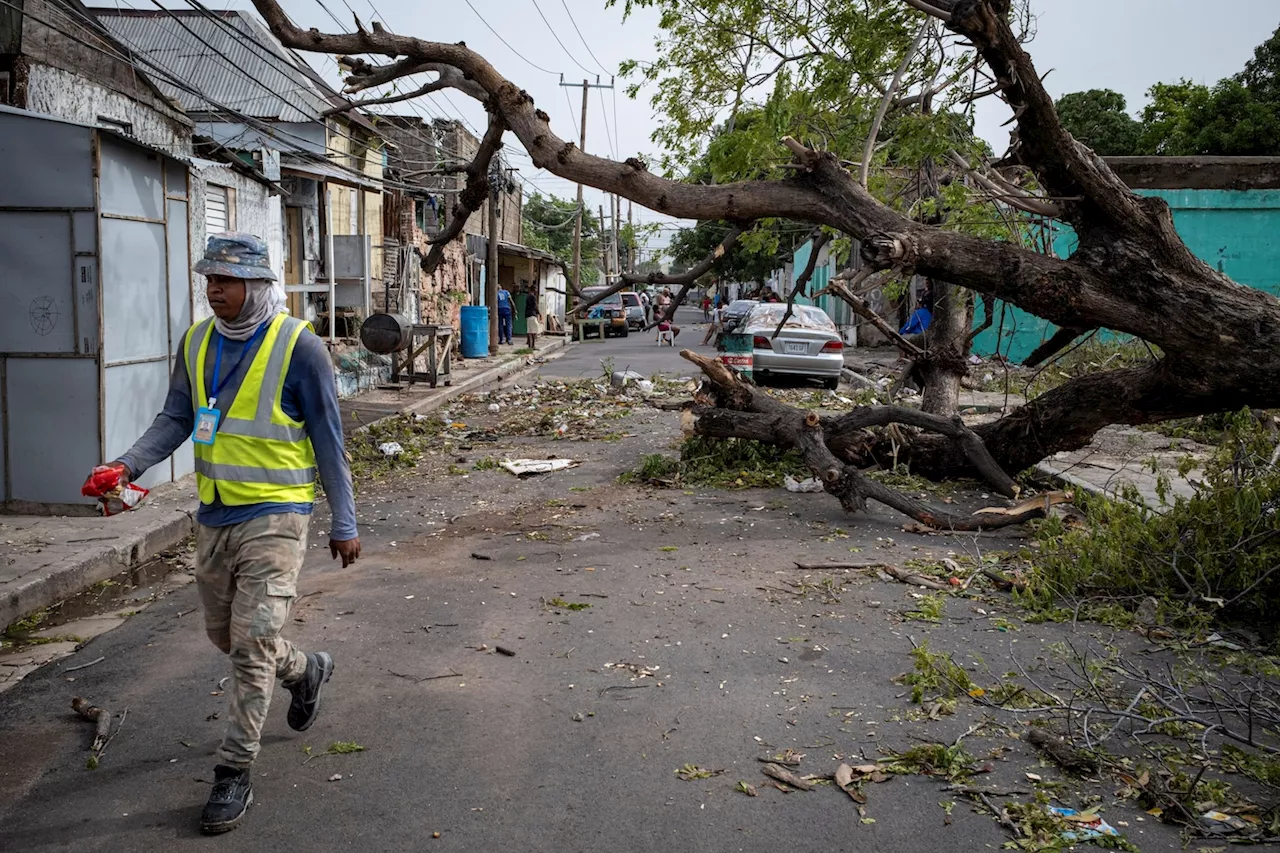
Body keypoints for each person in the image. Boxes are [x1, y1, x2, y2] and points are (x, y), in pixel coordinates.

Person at [100, 233, 360, 835]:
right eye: (209, 279)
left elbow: (328, 439)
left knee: (250, 645)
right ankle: (304, 670)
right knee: (229, 635)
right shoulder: (196, 342)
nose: (213, 289)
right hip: (215, 514)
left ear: (259, 285)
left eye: (226, 279)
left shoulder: (301, 348)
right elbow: (176, 417)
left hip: (278, 515)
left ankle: (233, 772)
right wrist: (126, 465)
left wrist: (344, 522)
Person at [523, 286, 542, 350]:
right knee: (534, 330)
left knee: (529, 330)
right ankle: (533, 345)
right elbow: (535, 306)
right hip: (532, 314)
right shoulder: (533, 297)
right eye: (536, 289)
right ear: (534, 289)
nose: (537, 290)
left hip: (528, 315)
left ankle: (529, 345)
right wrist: (539, 313)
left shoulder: (528, 296)